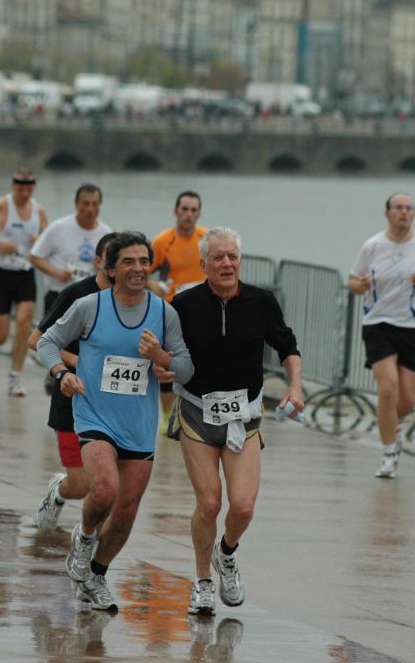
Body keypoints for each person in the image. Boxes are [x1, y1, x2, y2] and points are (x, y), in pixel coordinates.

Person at [37, 231, 193, 611]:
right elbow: (45, 341)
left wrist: (162, 357)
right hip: (95, 415)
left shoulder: (164, 312)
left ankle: (97, 575)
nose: (138, 268)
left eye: (143, 261)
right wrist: (62, 373)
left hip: (138, 423)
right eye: (128, 261)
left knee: (126, 510)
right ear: (110, 268)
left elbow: (186, 368)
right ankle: (86, 536)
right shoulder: (90, 306)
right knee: (104, 491)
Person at [169, 227, 303, 616]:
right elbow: (168, 353)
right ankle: (202, 583)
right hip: (196, 410)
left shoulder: (262, 302)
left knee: (242, 507)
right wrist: (163, 368)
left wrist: (295, 386)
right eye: (218, 257)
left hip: (244, 416)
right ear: (203, 264)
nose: (226, 263)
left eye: (233, 256)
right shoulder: (185, 304)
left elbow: (287, 346)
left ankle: (226, 553)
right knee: (209, 502)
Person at [348, 192, 415, 478]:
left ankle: (391, 426)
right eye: (398, 208)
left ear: (413, 214)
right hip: (378, 323)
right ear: (387, 213)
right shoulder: (373, 246)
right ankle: (389, 452)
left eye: (409, 208)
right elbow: (353, 281)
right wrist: (361, 284)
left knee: (408, 400)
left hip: (414, 325)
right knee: (388, 388)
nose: (403, 212)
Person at [31, 232, 117, 531]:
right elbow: (36, 340)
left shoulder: (136, 299)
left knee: (107, 486)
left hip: (113, 403)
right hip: (72, 397)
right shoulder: (75, 294)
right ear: (99, 262)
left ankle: (89, 545)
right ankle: (58, 491)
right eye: (113, 261)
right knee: (80, 486)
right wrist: (78, 362)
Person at [0, 169, 48, 396]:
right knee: (1, 332)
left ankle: (15, 377)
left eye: (29, 189)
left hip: (25, 273)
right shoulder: (0, 206)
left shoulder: (39, 210)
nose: (24, 194)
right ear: (13, 187)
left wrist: (40, 240)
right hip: (1, 273)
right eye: (20, 189)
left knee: (24, 324)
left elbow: (48, 237)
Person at [150, 190, 209, 430]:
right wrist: (153, 285)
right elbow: (144, 271)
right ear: (176, 211)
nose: (188, 215)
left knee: (202, 364)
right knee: (169, 364)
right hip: (172, 312)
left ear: (199, 214)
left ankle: (197, 415)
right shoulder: (163, 241)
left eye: (193, 210)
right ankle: (167, 417)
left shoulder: (206, 238)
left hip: (204, 312)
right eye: (184, 209)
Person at [30, 183, 113, 316]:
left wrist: (101, 268)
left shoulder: (106, 233)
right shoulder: (58, 228)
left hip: (91, 299)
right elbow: (35, 257)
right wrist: (57, 272)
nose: (90, 209)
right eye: (85, 204)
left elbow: (112, 268)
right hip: (59, 296)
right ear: (76, 205)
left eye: (95, 204)